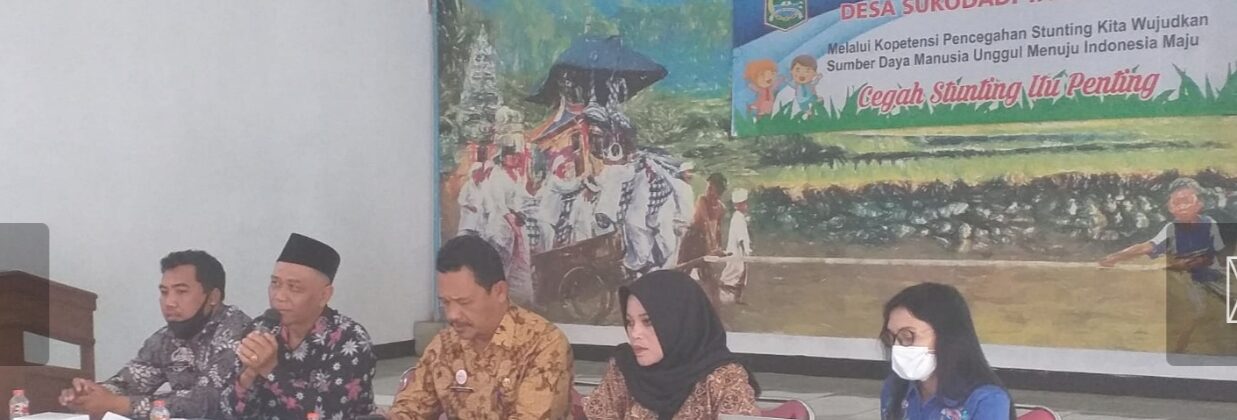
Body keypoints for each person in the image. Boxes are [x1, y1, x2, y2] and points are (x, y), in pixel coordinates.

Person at [388, 235, 574, 419]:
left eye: (464, 302)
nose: (452, 315)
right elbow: (410, 407)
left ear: (499, 291)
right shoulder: (445, 344)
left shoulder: (543, 345)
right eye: (445, 302)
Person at [60, 250, 250, 419]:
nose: (169, 302)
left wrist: (116, 404)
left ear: (213, 297)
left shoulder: (238, 332)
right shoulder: (165, 338)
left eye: (181, 292)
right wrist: (90, 394)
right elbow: (129, 382)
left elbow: (207, 403)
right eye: (164, 292)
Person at [222, 233, 376, 420]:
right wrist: (249, 374)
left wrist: (271, 369)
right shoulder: (262, 328)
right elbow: (231, 411)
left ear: (324, 295)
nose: (279, 296)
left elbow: (328, 415)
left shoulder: (350, 340)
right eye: (275, 283)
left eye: (294, 288)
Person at [583, 270, 761, 419]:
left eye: (648, 322)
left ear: (680, 322)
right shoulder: (624, 368)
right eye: (629, 322)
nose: (635, 334)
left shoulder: (724, 379)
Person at [1099, 177, 1227, 352]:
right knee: (1194, 312)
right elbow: (1147, 246)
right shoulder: (1171, 229)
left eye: (1187, 201)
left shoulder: (1209, 224)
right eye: (1176, 203)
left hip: (1215, 276)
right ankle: (1180, 350)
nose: (1182, 207)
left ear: (1199, 204)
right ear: (1170, 207)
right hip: (1192, 281)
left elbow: (1214, 255)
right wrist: (1116, 257)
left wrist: (1187, 263)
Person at [879, 283, 1014, 420]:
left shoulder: (986, 399)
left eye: (907, 336)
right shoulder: (895, 388)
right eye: (891, 337)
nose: (897, 347)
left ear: (947, 335)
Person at [678, 173, 728, 306]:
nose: (709, 191)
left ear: (719, 191)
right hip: (692, 240)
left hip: (703, 242)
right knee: (682, 271)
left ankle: (715, 307)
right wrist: (712, 248)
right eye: (708, 187)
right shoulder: (702, 200)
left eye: (712, 189)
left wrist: (719, 248)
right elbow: (706, 225)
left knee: (709, 277)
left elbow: (717, 230)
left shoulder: (721, 208)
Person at [719, 189, 752, 304]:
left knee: (740, 273)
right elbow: (741, 238)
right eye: (743, 203)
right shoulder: (738, 218)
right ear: (737, 205)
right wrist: (745, 252)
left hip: (739, 252)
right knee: (736, 272)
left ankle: (737, 297)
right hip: (738, 252)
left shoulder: (740, 217)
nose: (746, 205)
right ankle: (727, 296)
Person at [457, 161, 487, 236]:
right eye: (480, 171)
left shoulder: (481, 187)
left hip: (478, 224)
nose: (482, 174)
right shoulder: (467, 185)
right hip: (468, 223)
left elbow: (484, 203)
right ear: (474, 173)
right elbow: (461, 200)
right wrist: (470, 207)